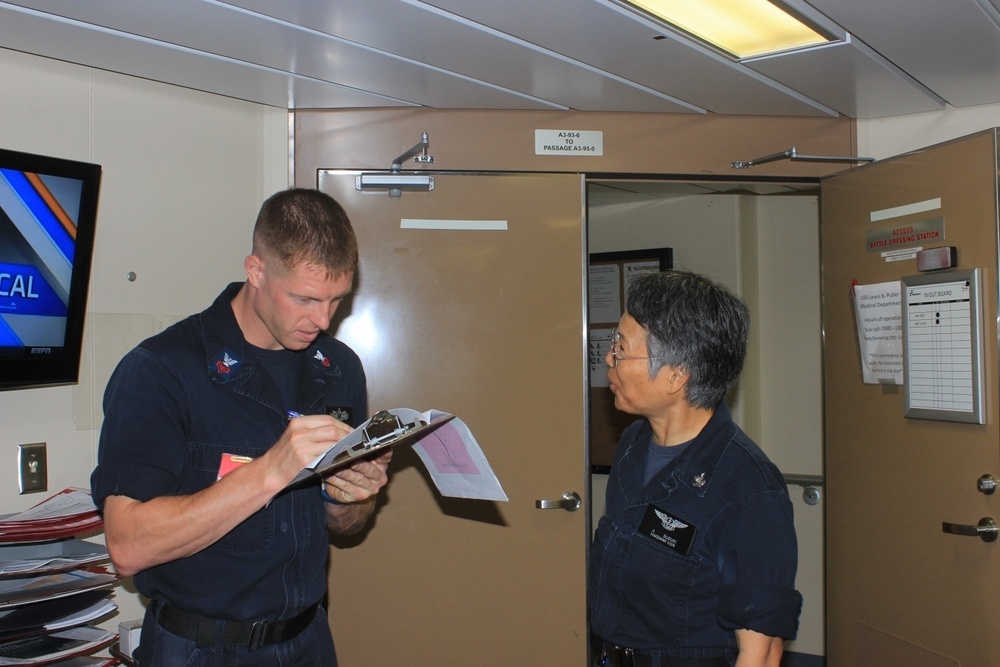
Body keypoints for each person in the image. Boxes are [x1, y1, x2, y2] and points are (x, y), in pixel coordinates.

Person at [91, 188, 390, 666]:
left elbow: (345, 526)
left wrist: (352, 495)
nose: (323, 319)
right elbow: (127, 546)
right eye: (305, 298)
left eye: (337, 299)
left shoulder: (339, 367)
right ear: (255, 271)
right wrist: (272, 469)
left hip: (309, 640)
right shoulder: (161, 370)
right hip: (200, 648)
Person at [589, 270, 801, 667]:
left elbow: (763, 652)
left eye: (622, 347)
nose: (608, 357)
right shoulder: (633, 444)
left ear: (676, 375)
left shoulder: (748, 488)